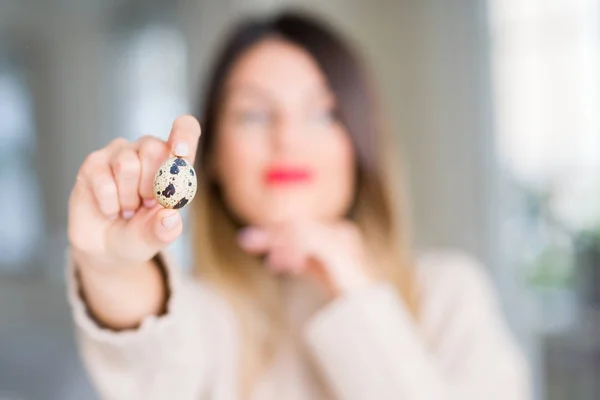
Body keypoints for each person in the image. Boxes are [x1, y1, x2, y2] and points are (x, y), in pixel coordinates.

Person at [66, 11, 530, 400]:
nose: (286, 136)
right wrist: (110, 266)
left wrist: (358, 294)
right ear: (215, 161)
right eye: (254, 114)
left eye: (322, 113)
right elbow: (149, 347)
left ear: (359, 145)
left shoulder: (449, 293)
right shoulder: (204, 318)